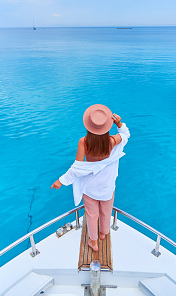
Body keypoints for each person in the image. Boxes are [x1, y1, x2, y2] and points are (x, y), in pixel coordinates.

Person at [51, 104, 130, 251]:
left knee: (92, 215)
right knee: (106, 212)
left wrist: (60, 181)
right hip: (107, 187)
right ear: (106, 126)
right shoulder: (112, 141)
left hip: (90, 188)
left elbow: (76, 168)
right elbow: (126, 135)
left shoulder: (84, 142)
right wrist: (119, 124)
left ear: (89, 125)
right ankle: (102, 234)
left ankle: (93, 242)